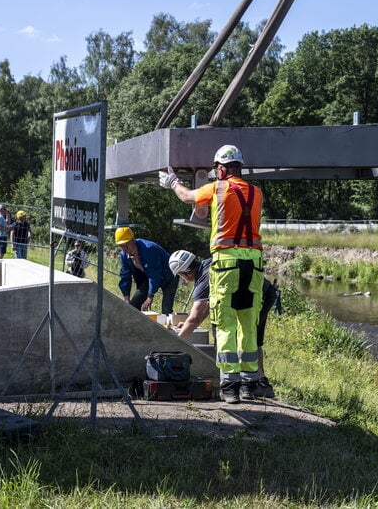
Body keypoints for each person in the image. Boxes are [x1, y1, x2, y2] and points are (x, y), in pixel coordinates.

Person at [159, 144, 265, 404]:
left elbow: (187, 197)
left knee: (225, 323)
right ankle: (249, 384)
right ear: (239, 166)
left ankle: (229, 385)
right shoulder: (256, 192)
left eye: (216, 168)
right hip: (254, 263)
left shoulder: (217, 188)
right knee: (247, 322)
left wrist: (172, 181)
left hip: (227, 262)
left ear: (220, 168)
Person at [169, 249, 278, 398]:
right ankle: (253, 381)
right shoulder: (209, 264)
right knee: (249, 337)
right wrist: (188, 323)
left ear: (185, 274)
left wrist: (176, 343)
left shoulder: (204, 279)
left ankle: (260, 383)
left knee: (247, 337)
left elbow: (195, 318)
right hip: (257, 291)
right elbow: (211, 305)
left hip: (258, 295)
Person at [115, 226, 180, 315]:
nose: (125, 248)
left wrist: (150, 296)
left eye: (127, 244)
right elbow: (125, 276)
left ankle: (169, 325)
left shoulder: (149, 249)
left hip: (169, 276)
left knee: (166, 310)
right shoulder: (124, 255)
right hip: (150, 277)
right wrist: (126, 298)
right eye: (122, 246)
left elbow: (155, 273)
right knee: (133, 306)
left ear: (133, 239)